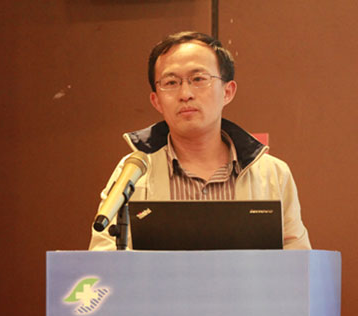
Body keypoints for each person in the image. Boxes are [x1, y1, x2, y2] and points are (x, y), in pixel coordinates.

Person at [89, 31, 310, 250]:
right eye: (171, 82)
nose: (185, 94)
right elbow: (103, 256)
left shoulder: (273, 174)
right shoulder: (133, 172)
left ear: (227, 91)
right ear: (156, 101)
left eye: (198, 79)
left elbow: (299, 261)